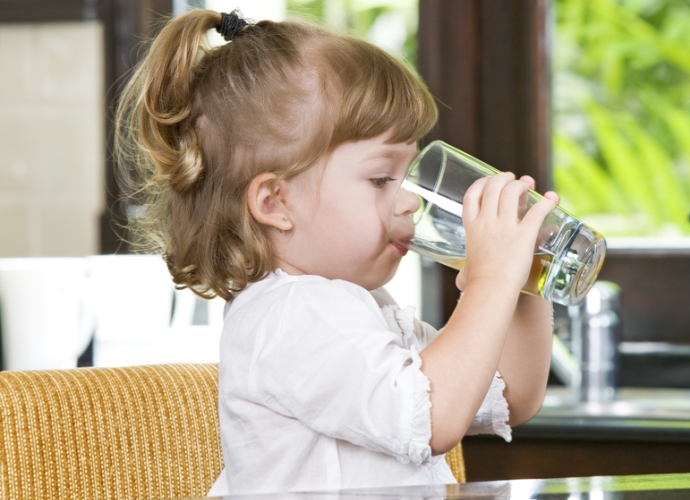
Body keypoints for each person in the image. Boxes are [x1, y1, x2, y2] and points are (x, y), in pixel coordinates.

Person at [115, 8, 559, 495]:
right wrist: (491, 281)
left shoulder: (362, 307)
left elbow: (512, 393)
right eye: (381, 178)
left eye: (408, 174)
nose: (410, 199)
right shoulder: (289, 315)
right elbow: (432, 419)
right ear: (275, 202)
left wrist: (522, 280)